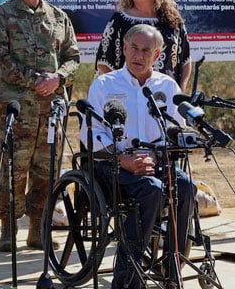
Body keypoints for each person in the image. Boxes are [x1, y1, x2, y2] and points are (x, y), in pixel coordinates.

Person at [82, 24, 196, 289]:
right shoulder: (104, 85)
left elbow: (176, 128)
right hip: (111, 166)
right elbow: (90, 135)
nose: (139, 55)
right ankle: (127, 277)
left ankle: (172, 267)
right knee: (152, 190)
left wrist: (158, 155)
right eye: (134, 47)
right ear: (124, 49)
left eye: (146, 50)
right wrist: (122, 160)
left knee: (186, 186)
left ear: (156, 56)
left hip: (155, 161)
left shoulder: (167, 86)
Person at [0, 0, 80, 252]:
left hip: (52, 109)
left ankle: (39, 229)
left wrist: (58, 79)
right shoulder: (1, 15)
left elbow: (73, 57)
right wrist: (35, 80)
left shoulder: (58, 17)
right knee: (13, 169)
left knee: (47, 170)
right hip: (18, 109)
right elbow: (0, 60)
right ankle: (8, 229)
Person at [95, 0, 191, 91]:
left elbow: (185, 59)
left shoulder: (172, 19)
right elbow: (104, 62)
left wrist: (180, 92)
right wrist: (119, 94)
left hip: (165, 96)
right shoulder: (119, 20)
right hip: (127, 97)